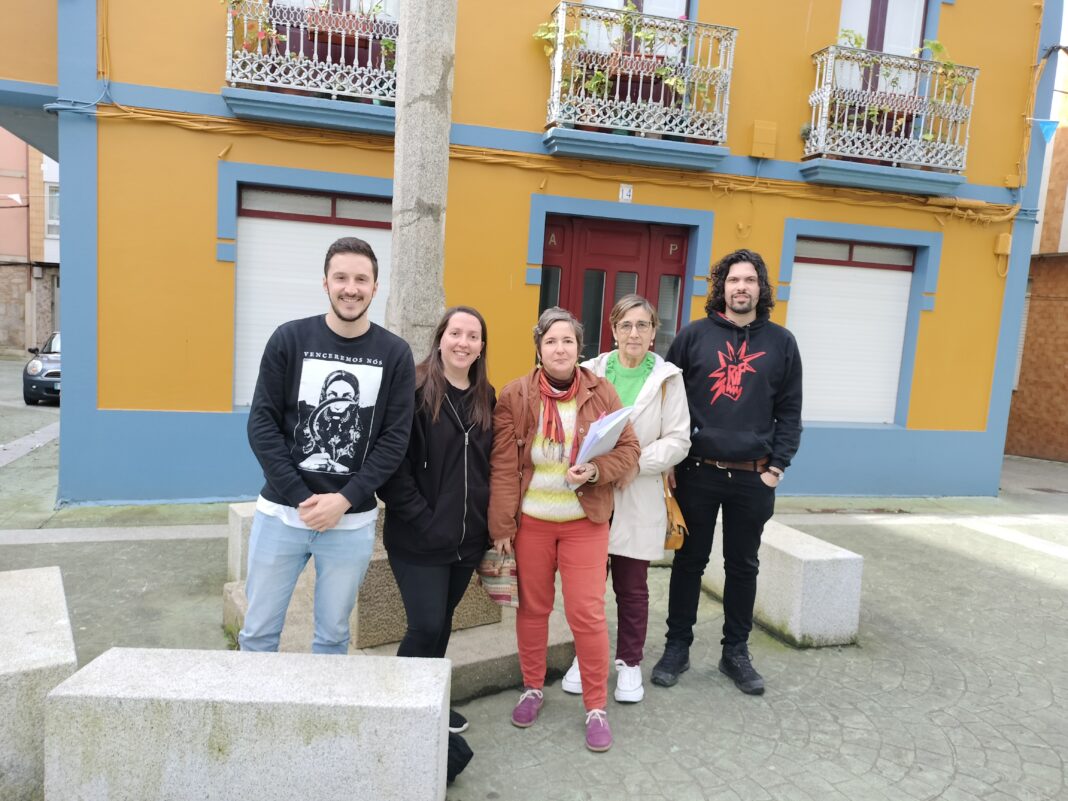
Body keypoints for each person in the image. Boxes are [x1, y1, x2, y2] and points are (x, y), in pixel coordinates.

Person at [240, 236, 415, 655]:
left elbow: (394, 439)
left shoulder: (394, 354)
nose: (350, 288)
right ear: (325, 283)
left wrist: (344, 499)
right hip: (282, 515)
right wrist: (302, 498)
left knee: (334, 637)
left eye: (361, 279)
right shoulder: (288, 339)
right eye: (341, 278)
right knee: (258, 634)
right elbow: (262, 425)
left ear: (375, 287)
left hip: (351, 523)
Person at [488, 306, 640, 753]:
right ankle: (532, 688)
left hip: (583, 523)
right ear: (538, 348)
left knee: (586, 614)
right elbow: (503, 466)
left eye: (568, 341)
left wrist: (594, 471)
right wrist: (501, 524)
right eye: (551, 341)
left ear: (579, 348)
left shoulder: (601, 390)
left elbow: (629, 449)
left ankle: (595, 707)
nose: (560, 348)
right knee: (533, 610)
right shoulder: (516, 395)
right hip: (532, 524)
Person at [651, 248, 802, 695]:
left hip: (754, 475)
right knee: (689, 563)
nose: (741, 287)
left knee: (743, 567)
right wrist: (669, 462)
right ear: (722, 287)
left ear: (761, 288)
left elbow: (790, 411)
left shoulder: (782, 343)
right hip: (697, 471)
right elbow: (668, 401)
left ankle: (735, 652)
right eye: (734, 280)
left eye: (750, 280)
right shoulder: (693, 337)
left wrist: (777, 467)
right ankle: (677, 647)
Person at [558, 294, 690, 704]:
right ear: (613, 330)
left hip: (637, 490)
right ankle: (586, 657)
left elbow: (679, 439)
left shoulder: (668, 379)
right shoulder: (589, 371)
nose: (634, 333)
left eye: (643, 325)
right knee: (587, 586)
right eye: (626, 325)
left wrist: (636, 464)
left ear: (653, 332)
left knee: (632, 586)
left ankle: (629, 662)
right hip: (593, 489)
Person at [379, 306, 495, 736]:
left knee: (442, 625)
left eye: (473, 336)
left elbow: (487, 465)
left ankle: (430, 707)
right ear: (440, 337)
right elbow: (393, 470)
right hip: (419, 538)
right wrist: (426, 521)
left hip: (467, 540)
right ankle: (397, 712)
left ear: (482, 346)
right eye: (456, 333)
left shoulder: (486, 396)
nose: (464, 343)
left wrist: (485, 525)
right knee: (425, 625)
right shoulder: (413, 388)